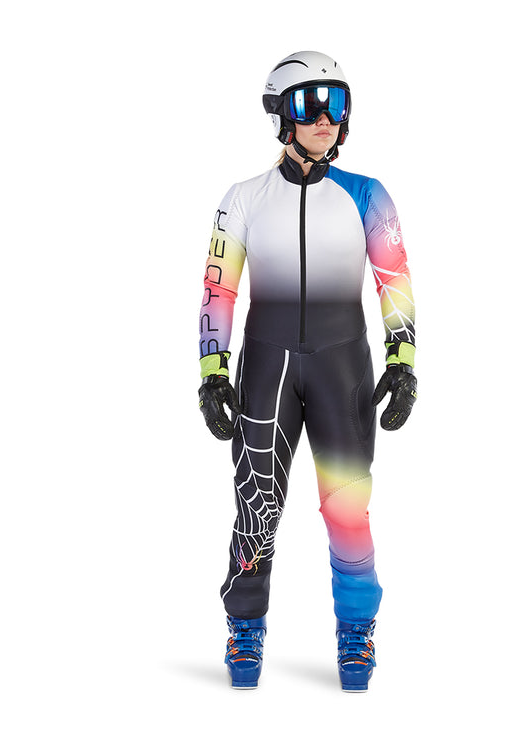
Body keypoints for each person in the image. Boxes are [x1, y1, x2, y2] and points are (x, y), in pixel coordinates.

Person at [197, 51, 417, 692]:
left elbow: (395, 280)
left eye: (336, 104)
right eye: (307, 104)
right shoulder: (242, 199)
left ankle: (357, 630)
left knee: (349, 511)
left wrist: (403, 361)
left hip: (341, 369)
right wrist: (212, 372)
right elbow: (218, 289)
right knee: (255, 508)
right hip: (266, 369)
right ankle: (245, 627)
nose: (325, 118)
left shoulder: (369, 195)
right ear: (279, 115)